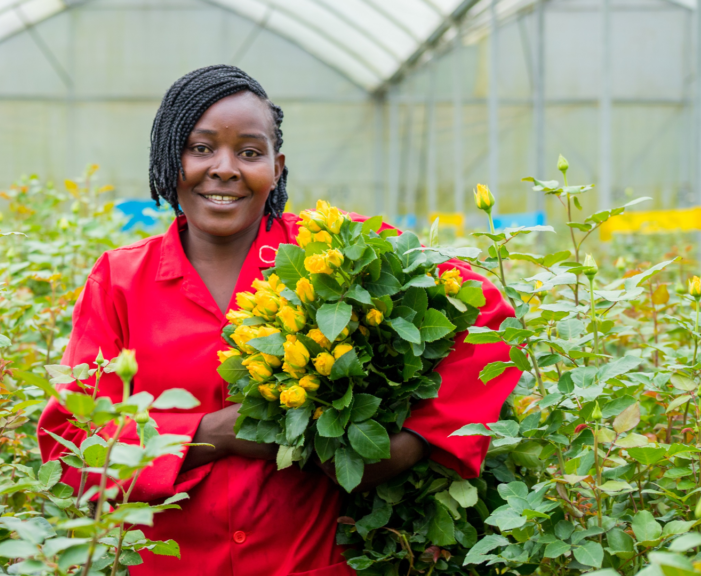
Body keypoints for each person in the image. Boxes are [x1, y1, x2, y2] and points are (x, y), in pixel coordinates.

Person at [38, 65, 520, 576]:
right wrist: (215, 433)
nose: (224, 168)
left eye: (249, 152)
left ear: (277, 165)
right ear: (168, 156)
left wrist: (416, 440)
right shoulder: (120, 280)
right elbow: (72, 438)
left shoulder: (334, 249)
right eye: (201, 148)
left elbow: (488, 313)